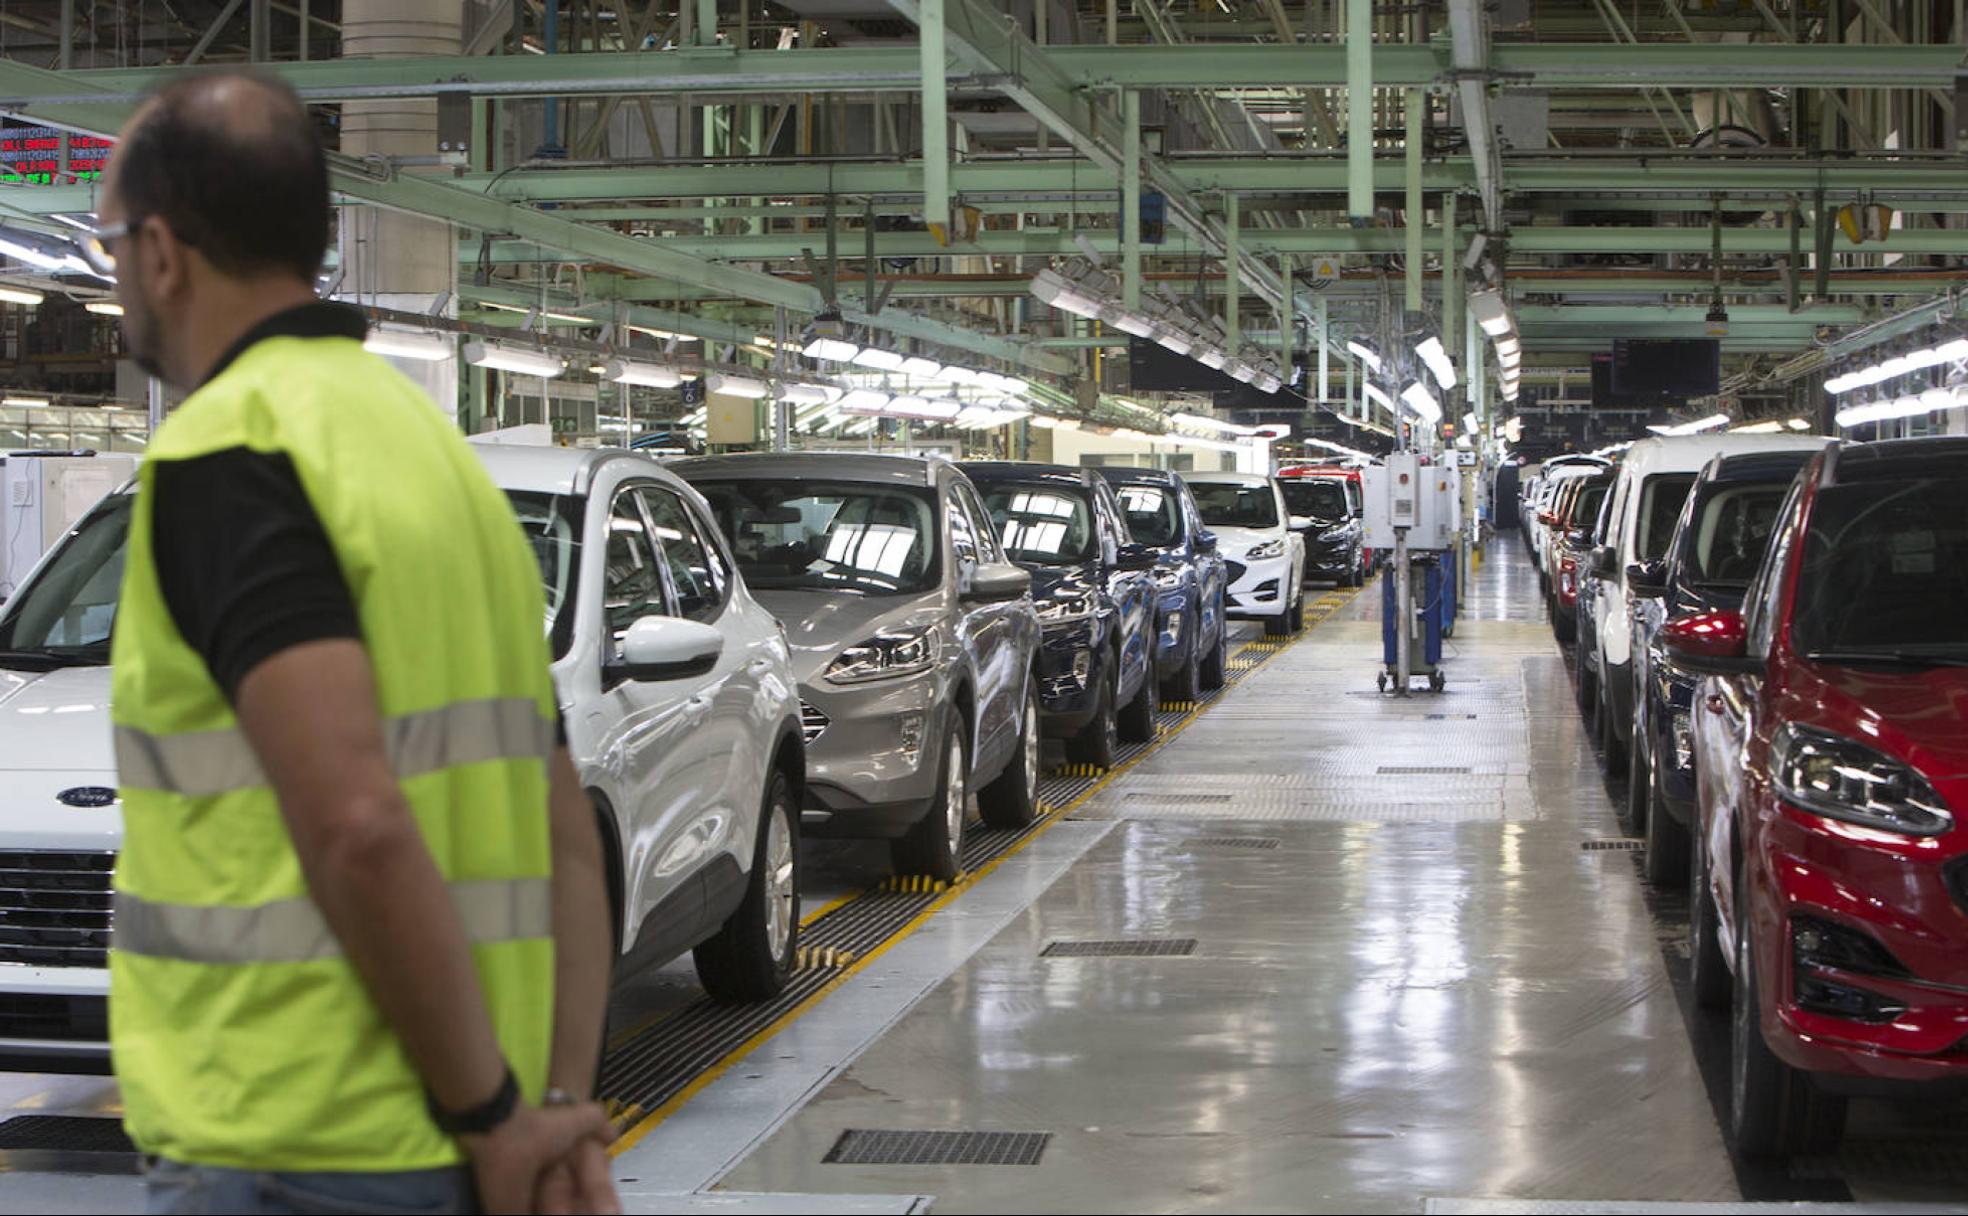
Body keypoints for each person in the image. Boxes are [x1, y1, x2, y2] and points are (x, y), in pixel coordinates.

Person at [96, 72, 621, 1215]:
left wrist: (491, 1119)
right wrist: (550, 1110)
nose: (118, 276)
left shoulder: (230, 455)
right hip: (461, 1143)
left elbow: (357, 824)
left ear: (164, 252)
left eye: (109, 245)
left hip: (292, 1138)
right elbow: (566, 835)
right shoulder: (443, 466)